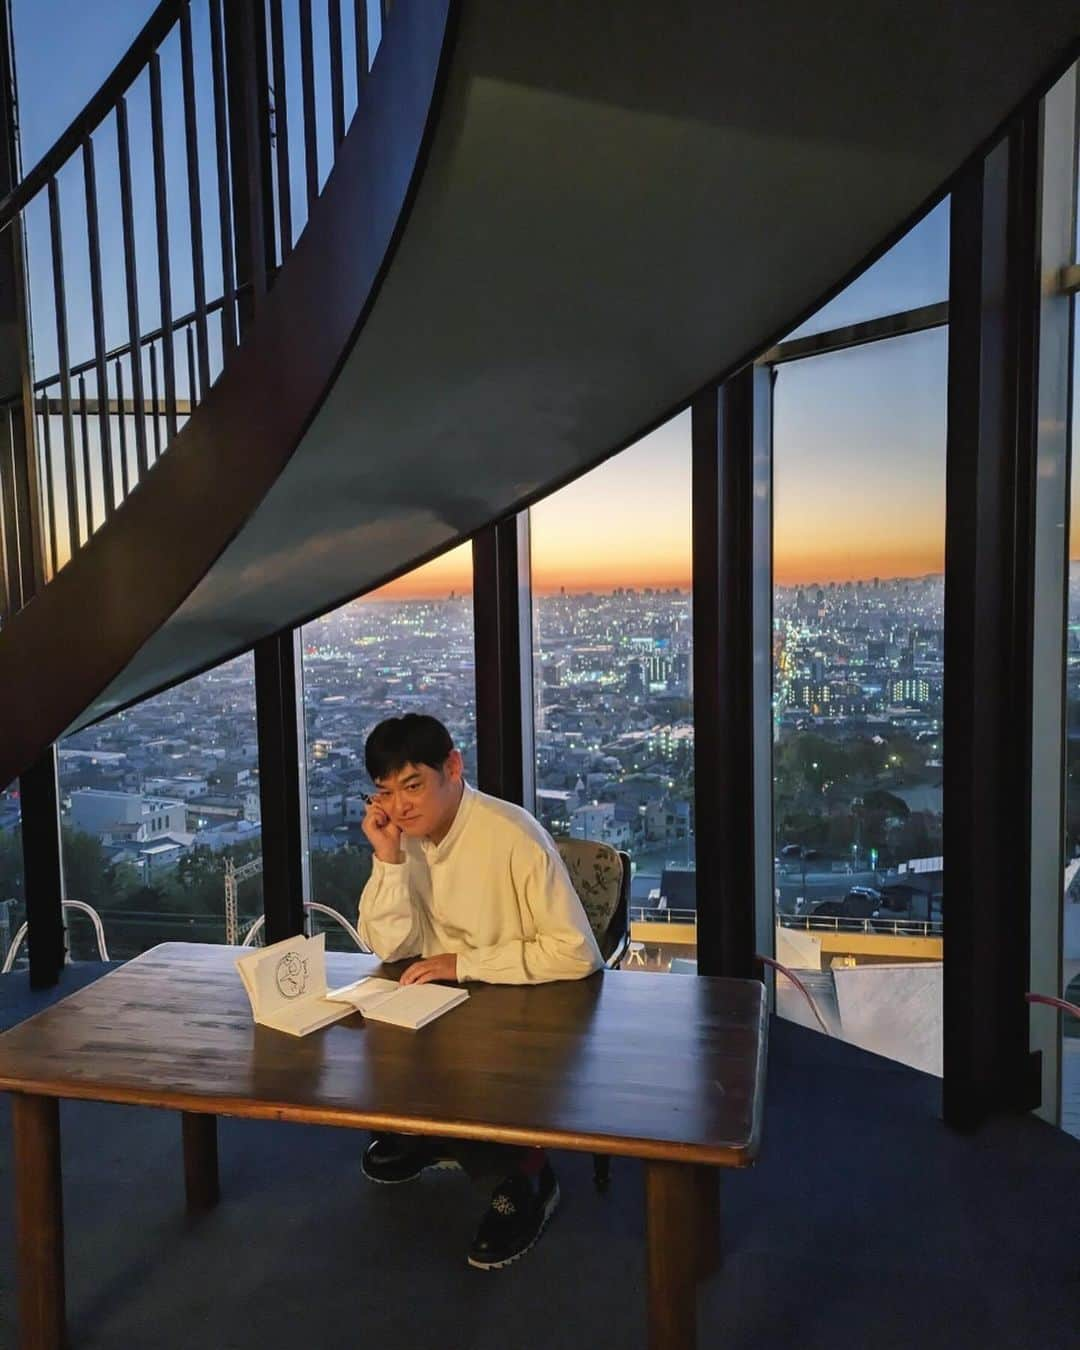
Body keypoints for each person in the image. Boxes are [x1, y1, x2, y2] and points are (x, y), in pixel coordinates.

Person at [357, 712, 602, 1270]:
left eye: (413, 786)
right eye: (385, 793)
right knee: (372, 1035)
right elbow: (392, 946)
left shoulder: (511, 836)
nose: (400, 807)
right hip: (449, 991)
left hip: (527, 999)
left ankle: (526, 1178)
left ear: (454, 767)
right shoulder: (406, 839)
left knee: (473, 1059)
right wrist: (387, 859)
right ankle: (430, 1134)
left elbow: (576, 953)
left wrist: (462, 962)